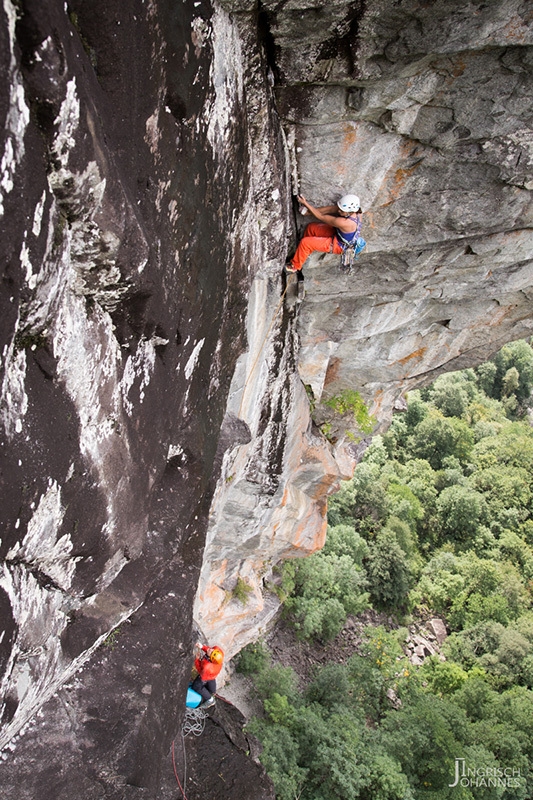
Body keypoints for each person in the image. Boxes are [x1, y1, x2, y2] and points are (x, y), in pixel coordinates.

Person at [285, 193, 362, 272]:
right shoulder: (355, 212)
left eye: (341, 210)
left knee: (305, 243)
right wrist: (308, 212)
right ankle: (303, 253)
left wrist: (305, 203)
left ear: (348, 213)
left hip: (339, 245)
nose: (338, 211)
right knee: (311, 228)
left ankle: (295, 266)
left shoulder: (344, 222)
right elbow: (330, 209)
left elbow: (321, 216)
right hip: (338, 235)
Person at [191, 642, 224, 708]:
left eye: (211, 652)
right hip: (213, 674)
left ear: (210, 659)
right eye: (212, 651)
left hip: (206, 675)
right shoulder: (218, 652)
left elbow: (200, 670)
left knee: (196, 687)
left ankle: (210, 700)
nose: (211, 650)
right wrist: (202, 647)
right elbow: (210, 650)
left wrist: (197, 660)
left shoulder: (207, 667)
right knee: (211, 679)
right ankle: (212, 691)